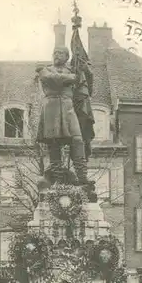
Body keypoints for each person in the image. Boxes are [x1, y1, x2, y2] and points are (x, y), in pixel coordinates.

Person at [36, 46, 92, 186]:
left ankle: (82, 177)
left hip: (68, 108)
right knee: (54, 144)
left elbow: (85, 83)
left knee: (78, 140)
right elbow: (50, 79)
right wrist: (71, 78)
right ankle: (58, 179)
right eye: (55, 53)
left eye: (60, 53)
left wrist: (82, 72)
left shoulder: (73, 70)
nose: (57, 55)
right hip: (51, 109)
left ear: (67, 57)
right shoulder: (44, 69)